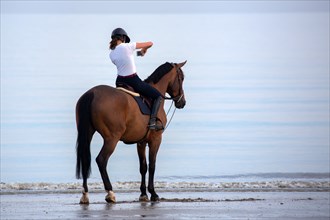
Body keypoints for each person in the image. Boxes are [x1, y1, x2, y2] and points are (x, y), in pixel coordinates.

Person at [109, 27, 163, 130]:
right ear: (123, 38)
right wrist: (144, 50)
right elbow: (150, 43)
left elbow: (124, 59)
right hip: (133, 81)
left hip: (120, 81)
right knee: (157, 96)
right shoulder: (128, 46)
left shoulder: (111, 54)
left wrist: (140, 53)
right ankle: (152, 122)